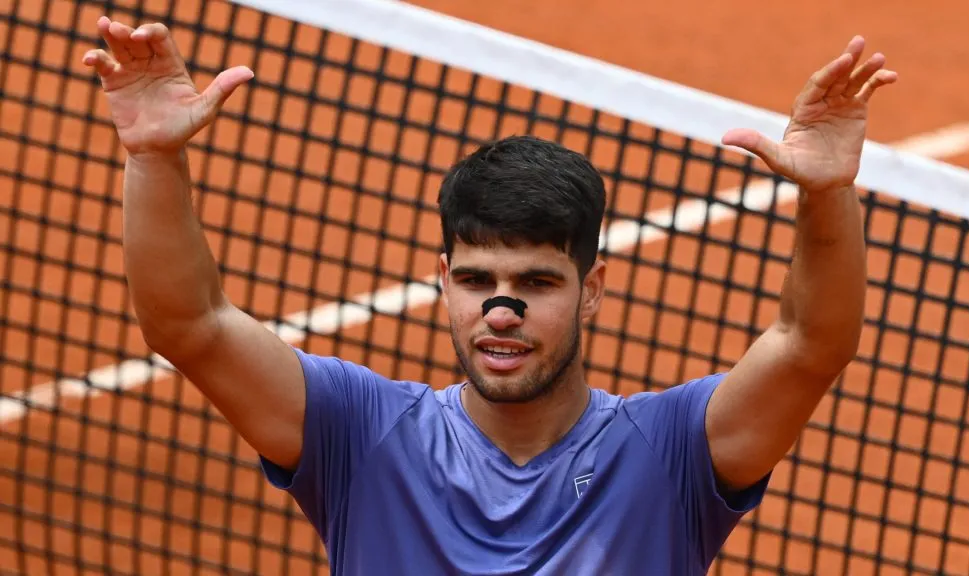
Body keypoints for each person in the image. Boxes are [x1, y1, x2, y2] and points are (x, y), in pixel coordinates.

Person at [83, 14, 896, 576]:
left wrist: (827, 194)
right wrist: (154, 157)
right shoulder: (358, 434)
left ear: (591, 291)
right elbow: (190, 325)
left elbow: (809, 346)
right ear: (444, 282)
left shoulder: (673, 452)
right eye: (477, 281)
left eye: (536, 283)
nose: (500, 311)